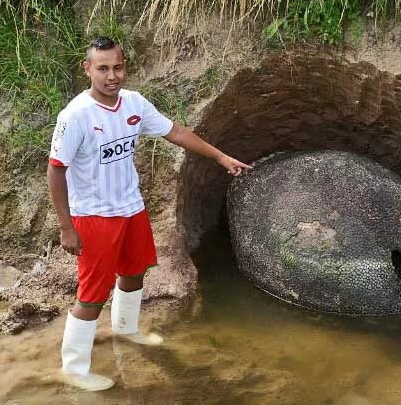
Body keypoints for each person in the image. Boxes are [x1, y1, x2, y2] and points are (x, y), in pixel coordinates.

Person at [46, 36, 251, 391]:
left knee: (135, 273)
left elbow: (176, 132)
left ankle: (126, 330)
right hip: (93, 217)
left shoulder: (134, 104)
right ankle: (74, 370)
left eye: (118, 67)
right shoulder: (75, 116)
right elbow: (56, 170)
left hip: (131, 209)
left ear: (125, 67)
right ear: (88, 69)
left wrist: (220, 156)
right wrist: (66, 227)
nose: (112, 76)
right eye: (103, 68)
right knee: (92, 294)